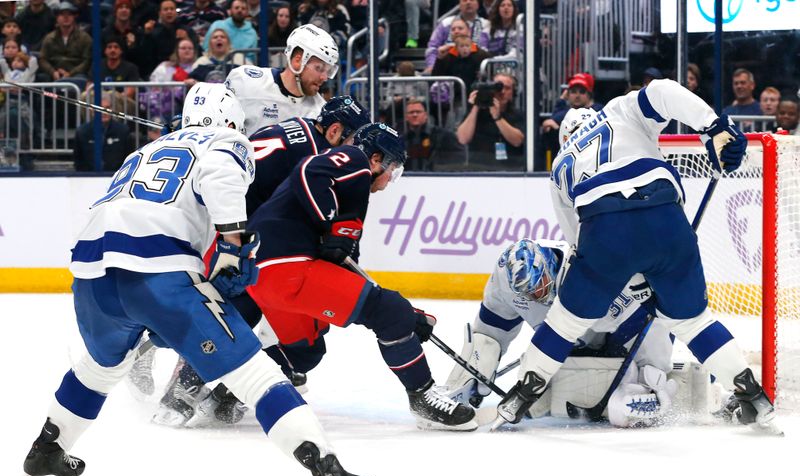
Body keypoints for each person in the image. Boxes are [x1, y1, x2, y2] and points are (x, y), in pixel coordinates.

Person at [15, 83, 387, 476]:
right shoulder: (228, 140)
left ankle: (46, 452)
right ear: (231, 120)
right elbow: (222, 179)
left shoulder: (144, 151)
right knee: (257, 373)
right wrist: (233, 245)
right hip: (158, 272)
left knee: (99, 367)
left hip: (91, 275)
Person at [491, 79, 781, 437]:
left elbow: (579, 242)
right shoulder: (617, 110)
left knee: (564, 324)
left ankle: (517, 398)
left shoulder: (560, 167)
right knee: (694, 323)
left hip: (605, 228)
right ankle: (755, 398)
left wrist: (618, 276)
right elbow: (662, 90)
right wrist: (714, 126)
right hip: (667, 215)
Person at [148, 95, 371, 426]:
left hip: (232, 228)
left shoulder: (302, 129)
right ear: (336, 130)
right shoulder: (319, 157)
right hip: (242, 235)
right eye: (354, 141)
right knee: (256, 319)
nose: (356, 152)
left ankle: (191, 391)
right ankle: (222, 395)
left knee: (232, 315)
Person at [245, 123, 477, 431]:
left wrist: (409, 316)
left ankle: (223, 395)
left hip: (263, 276)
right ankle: (423, 397)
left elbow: (348, 274)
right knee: (389, 312)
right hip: (286, 266)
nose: (387, 182)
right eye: (391, 168)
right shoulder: (355, 160)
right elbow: (310, 171)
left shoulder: (348, 192)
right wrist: (329, 220)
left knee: (304, 351)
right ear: (376, 158)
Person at [443, 238, 677, 428]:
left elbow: (648, 323)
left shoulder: (587, 274)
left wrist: (652, 373)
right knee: (537, 403)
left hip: (612, 342)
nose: (538, 298)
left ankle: (660, 386)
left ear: (551, 266)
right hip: (560, 350)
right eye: (530, 294)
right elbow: (491, 331)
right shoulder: (506, 278)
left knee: (621, 408)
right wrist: (476, 371)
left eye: (542, 286)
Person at [224, 24, 339, 135]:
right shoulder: (246, 81)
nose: (324, 78)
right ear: (297, 61)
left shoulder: (319, 112)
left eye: (328, 71)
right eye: (319, 68)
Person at [456, 71, 524, 170]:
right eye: (498, 87)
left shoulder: (518, 114)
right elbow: (463, 139)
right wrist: (475, 106)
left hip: (511, 169)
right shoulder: (476, 113)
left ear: (514, 92)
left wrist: (497, 117)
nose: (502, 91)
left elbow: (517, 141)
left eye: (507, 88)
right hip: (479, 168)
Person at [73, 92, 132, 171]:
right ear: (92, 110)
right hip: (88, 178)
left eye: (107, 108)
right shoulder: (82, 132)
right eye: (100, 108)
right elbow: (78, 161)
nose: (104, 112)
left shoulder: (123, 131)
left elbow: (128, 159)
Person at [424, 0, 488, 73]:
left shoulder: (487, 25)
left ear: (478, 4)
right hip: (447, 68)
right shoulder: (446, 22)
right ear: (459, 4)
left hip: (477, 69)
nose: (468, 2)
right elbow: (432, 48)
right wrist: (432, 65)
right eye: (464, 0)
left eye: (472, 0)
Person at [38, 2, 92, 84]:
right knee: (41, 79)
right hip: (54, 75)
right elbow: (43, 59)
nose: (66, 17)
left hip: (76, 75)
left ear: (74, 17)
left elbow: (87, 61)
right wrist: (53, 72)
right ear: (57, 18)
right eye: (62, 14)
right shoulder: (49, 38)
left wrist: (70, 73)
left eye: (69, 14)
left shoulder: (85, 38)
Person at [404, 99, 464, 171]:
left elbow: (460, 157)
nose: (415, 115)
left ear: (425, 115)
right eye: (411, 112)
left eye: (418, 112)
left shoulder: (444, 136)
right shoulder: (402, 140)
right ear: (406, 117)